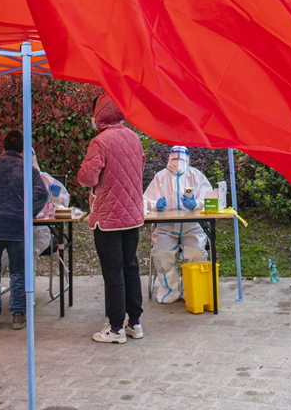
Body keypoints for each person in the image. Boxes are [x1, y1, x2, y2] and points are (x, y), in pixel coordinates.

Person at [77, 94, 145, 344]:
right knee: (130, 267)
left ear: (99, 113)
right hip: (132, 215)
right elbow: (140, 168)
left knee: (113, 271)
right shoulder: (134, 138)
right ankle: (134, 322)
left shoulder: (100, 142)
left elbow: (87, 178)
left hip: (107, 218)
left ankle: (115, 327)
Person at [0, 129, 48, 330]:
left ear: (2, 146)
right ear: (23, 150)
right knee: (19, 272)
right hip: (17, 227)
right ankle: (18, 315)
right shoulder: (28, 169)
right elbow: (42, 194)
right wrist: (27, 213)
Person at [143, 146, 212, 303]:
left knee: (197, 252)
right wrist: (155, 206)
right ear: (169, 159)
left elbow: (210, 200)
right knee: (161, 253)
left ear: (188, 159)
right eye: (174, 158)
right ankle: (170, 289)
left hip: (192, 227)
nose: (178, 162)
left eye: (181, 159)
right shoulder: (160, 177)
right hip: (165, 228)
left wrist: (196, 204)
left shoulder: (196, 176)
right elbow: (145, 201)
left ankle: (192, 289)